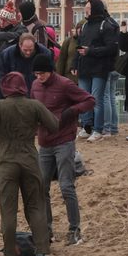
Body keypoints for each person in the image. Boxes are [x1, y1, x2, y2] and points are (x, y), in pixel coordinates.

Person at [0, 71, 59, 256]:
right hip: (30, 159)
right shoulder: (34, 105)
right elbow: (54, 125)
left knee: (8, 210)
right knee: (36, 206)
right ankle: (41, 253)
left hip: (8, 161)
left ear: (5, 87)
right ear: (23, 86)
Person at [31, 53, 95, 245]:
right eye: (36, 74)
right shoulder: (35, 86)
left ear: (51, 71)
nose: (39, 77)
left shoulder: (65, 84)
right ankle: (47, 229)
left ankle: (74, 229)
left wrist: (72, 111)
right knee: (41, 187)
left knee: (66, 186)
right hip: (44, 143)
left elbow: (90, 100)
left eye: (42, 73)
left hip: (64, 141)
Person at [75, 0, 120, 141]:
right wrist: (74, 64)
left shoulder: (105, 25)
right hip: (84, 67)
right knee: (84, 99)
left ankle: (98, 130)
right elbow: (79, 45)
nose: (85, 10)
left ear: (95, 9)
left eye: (88, 8)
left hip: (99, 68)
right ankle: (87, 127)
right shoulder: (85, 25)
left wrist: (90, 51)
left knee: (96, 100)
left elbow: (112, 48)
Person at [0, 4, 27, 103]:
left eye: (4, 20)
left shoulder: (19, 28)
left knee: (12, 100)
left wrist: (0, 36)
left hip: (11, 72)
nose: (1, 22)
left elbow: (20, 36)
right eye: (0, 19)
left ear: (11, 21)